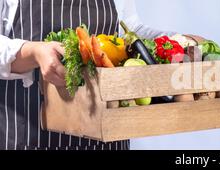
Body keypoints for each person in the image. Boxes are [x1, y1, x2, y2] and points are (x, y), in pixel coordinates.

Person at [0, 0, 174, 150]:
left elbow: (129, 29)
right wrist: (32, 52)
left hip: (108, 141)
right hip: (29, 136)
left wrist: (175, 41)